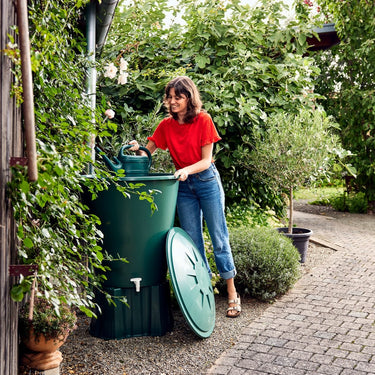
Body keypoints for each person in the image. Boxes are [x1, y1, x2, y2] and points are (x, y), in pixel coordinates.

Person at [129, 76, 241, 318]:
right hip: (184, 187)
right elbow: (146, 155)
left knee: (219, 238)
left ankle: (232, 293)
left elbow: (205, 160)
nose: (171, 101)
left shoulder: (203, 119)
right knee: (193, 243)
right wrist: (138, 149)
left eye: (177, 97)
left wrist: (185, 170)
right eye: (169, 97)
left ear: (189, 98)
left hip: (206, 181)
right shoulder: (165, 125)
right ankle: (203, 295)